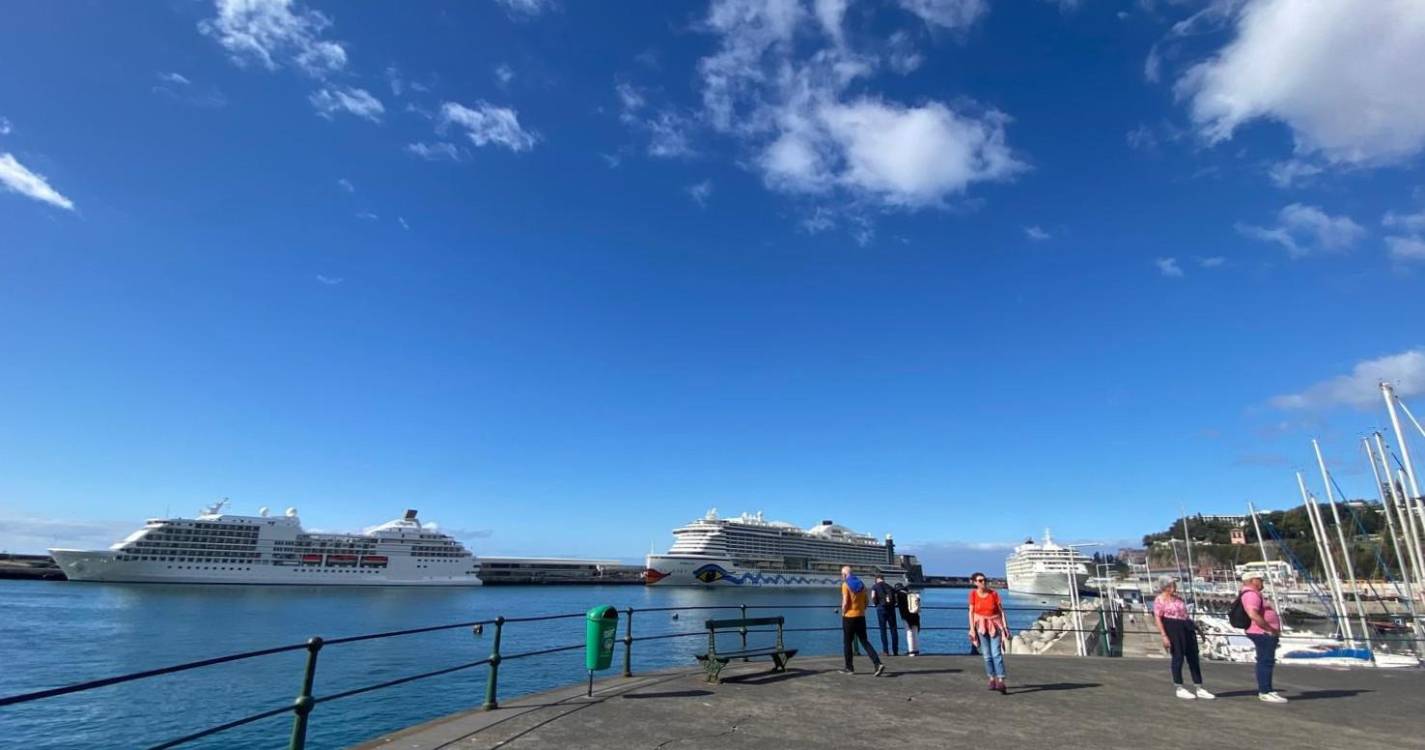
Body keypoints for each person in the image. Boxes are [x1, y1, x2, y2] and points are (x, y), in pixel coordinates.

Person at [1152, 576, 1214, 700]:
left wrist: (1198, 629)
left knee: (1193, 657)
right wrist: (1164, 636)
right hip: (1173, 627)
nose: (1175, 587)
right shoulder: (1159, 600)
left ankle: (1199, 687)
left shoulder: (1178, 599)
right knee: (1178, 657)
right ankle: (1179, 687)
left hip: (1186, 626)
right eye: (1173, 584)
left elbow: (1185, 615)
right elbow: (1158, 618)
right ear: (1166, 587)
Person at [1240, 570, 1287, 703]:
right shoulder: (1251, 594)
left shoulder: (1253, 593)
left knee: (1266, 661)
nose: (1262, 582)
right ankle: (1265, 691)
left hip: (1263, 632)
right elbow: (1253, 614)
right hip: (1262, 632)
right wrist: (1269, 629)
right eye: (1260, 580)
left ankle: (1268, 689)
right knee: (1265, 661)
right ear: (1252, 581)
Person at [839, 566, 886, 676]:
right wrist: (861, 610)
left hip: (849, 617)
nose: (841, 576)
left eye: (842, 574)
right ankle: (877, 663)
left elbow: (845, 602)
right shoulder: (861, 584)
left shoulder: (845, 585)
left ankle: (849, 668)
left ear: (845, 575)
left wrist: (843, 612)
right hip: (860, 616)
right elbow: (866, 601)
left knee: (847, 643)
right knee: (864, 641)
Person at [967, 572, 1009, 693]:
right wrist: (972, 629)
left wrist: (1005, 627)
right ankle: (991, 679)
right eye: (980, 580)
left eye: (984, 580)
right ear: (975, 582)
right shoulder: (973, 594)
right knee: (986, 655)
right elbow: (971, 612)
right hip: (981, 626)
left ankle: (1001, 680)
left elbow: (1001, 612)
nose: (983, 582)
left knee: (996, 653)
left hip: (994, 625)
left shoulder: (994, 594)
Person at [870, 574, 900, 656]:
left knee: (883, 630)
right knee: (893, 630)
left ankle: (885, 651)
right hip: (891, 609)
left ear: (876, 579)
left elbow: (873, 597)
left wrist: (876, 604)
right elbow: (896, 599)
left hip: (881, 609)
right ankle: (895, 651)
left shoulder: (875, 586)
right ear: (883, 579)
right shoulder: (890, 586)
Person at [895, 582, 922, 656]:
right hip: (915, 615)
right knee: (915, 633)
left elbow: (896, 603)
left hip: (906, 616)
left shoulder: (899, 595)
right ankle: (916, 650)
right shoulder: (911, 594)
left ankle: (911, 651)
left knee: (909, 633)